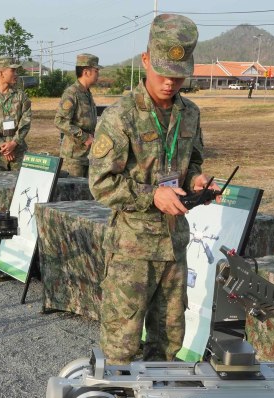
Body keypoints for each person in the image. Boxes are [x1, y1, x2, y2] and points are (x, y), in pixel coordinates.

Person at [89, 13, 219, 364]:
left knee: (168, 344)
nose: (170, 84)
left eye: (178, 77)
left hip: (174, 244)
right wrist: (152, 195)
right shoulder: (120, 116)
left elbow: (191, 164)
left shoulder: (190, 114)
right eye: (163, 74)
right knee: (122, 346)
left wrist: (197, 181)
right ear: (145, 60)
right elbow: (100, 184)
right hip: (133, 250)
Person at [55, 53, 100, 178]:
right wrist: (85, 137)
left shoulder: (86, 93)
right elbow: (60, 121)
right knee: (72, 194)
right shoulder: (72, 93)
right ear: (86, 72)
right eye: (96, 71)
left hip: (87, 156)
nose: (98, 75)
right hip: (73, 159)